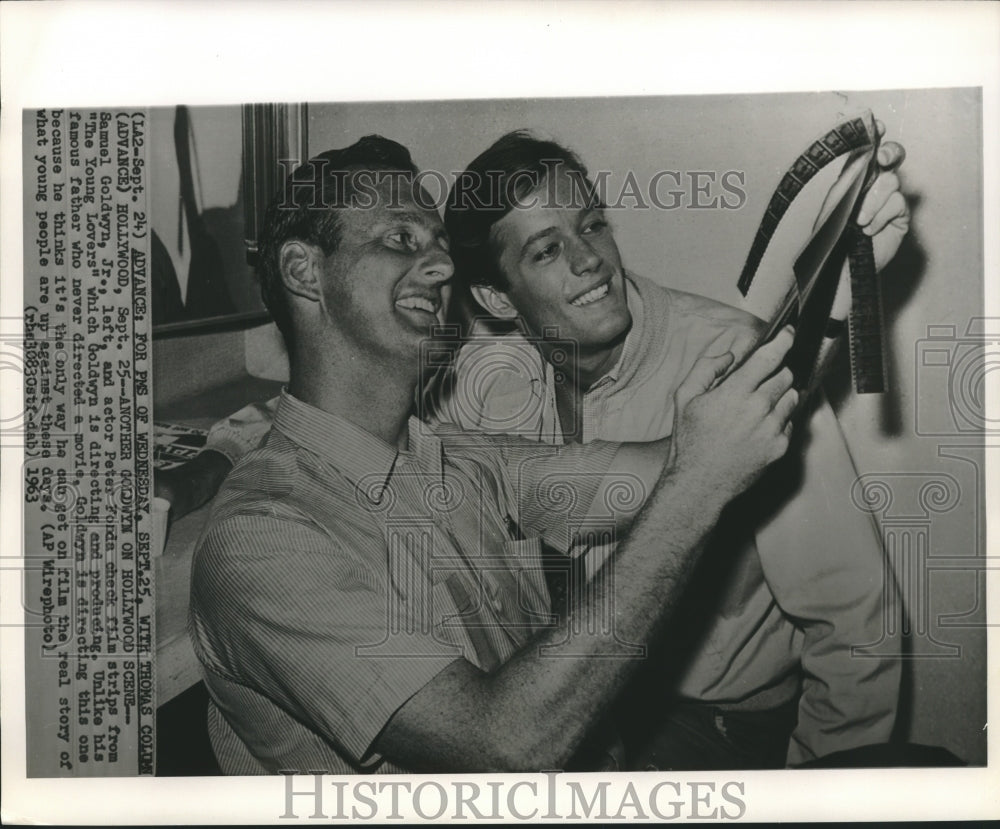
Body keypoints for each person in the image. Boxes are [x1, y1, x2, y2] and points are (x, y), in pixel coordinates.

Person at [173, 125, 910, 768]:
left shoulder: (456, 454)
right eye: (402, 239)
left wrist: (823, 316)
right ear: (305, 272)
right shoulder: (264, 545)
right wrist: (218, 450)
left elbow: (698, 450)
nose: (440, 267)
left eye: (438, 245)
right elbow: (502, 744)